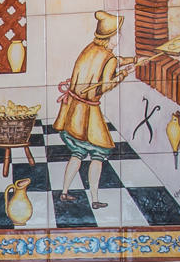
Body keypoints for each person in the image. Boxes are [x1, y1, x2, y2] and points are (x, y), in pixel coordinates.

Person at [52, 10, 137, 191]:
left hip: (73, 110)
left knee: (78, 152)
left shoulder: (91, 49)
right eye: (118, 33)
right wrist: (124, 73)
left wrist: (134, 60)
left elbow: (110, 61)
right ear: (111, 37)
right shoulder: (110, 59)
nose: (120, 36)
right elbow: (105, 86)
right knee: (99, 153)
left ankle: (65, 191)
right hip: (89, 115)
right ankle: (95, 198)